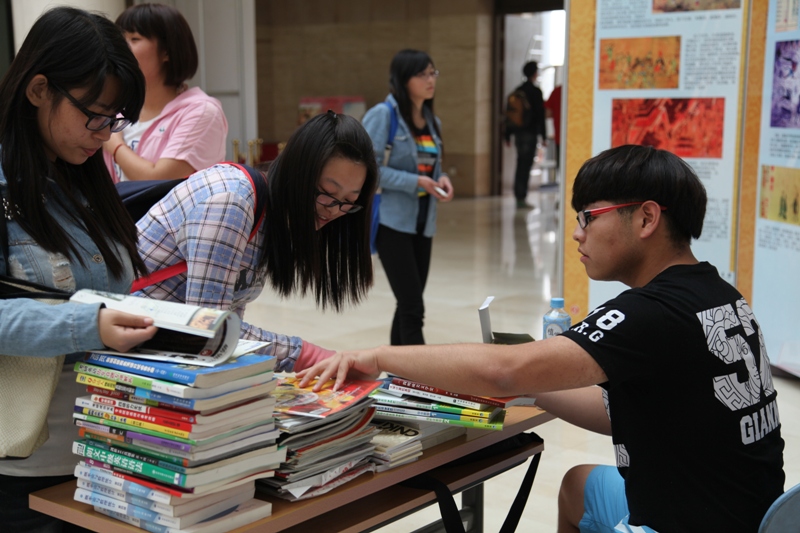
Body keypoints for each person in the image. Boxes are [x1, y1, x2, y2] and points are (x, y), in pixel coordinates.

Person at [299, 145, 785, 532]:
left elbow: (505, 367)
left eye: (588, 216)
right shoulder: (716, 291)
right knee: (578, 487)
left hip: (686, 523)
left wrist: (379, 357)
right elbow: (625, 414)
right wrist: (525, 385)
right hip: (751, 512)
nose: (577, 234)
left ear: (646, 219)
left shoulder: (648, 313)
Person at [0, 7, 159, 530]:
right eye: (95, 114)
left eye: (115, 120)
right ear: (39, 89)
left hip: (107, 454)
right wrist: (86, 325)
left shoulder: (82, 180)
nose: (105, 134)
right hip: (23, 470)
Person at [135, 111, 378, 372]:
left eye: (348, 202)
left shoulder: (273, 218)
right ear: (298, 173)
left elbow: (225, 330)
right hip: (128, 345)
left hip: (164, 351)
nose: (333, 210)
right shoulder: (232, 202)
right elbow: (206, 330)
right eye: (328, 194)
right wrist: (307, 355)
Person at [362, 49, 454, 346]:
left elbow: (432, 167)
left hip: (422, 224)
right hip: (392, 223)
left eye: (433, 73)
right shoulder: (383, 115)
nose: (431, 80)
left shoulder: (432, 120)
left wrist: (441, 180)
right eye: (422, 74)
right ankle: (421, 377)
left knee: (407, 304)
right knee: (414, 307)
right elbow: (367, 168)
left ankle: (397, 374)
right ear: (403, 80)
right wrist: (416, 181)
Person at [103, 3, 228, 182]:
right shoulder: (115, 108)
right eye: (120, 39)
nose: (122, 48)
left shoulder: (201, 113)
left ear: (166, 52)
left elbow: (159, 180)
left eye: (134, 39)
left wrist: (115, 146)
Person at [505, 61, 547, 208]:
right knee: (526, 164)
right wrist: (544, 136)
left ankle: (519, 196)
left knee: (520, 163)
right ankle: (521, 196)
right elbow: (540, 115)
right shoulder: (536, 92)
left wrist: (507, 135)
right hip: (530, 134)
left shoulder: (518, 91)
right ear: (534, 73)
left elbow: (510, 115)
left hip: (518, 134)